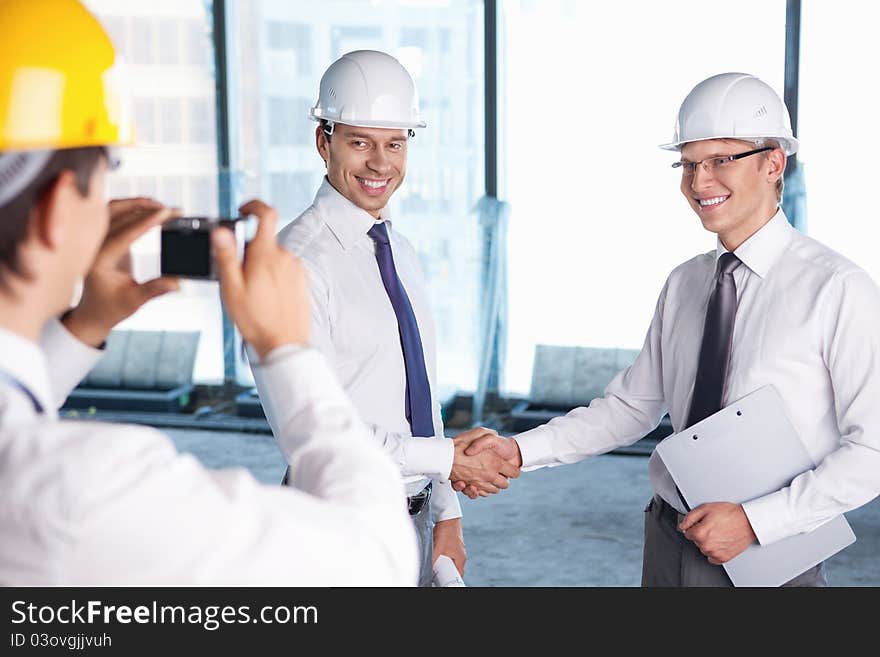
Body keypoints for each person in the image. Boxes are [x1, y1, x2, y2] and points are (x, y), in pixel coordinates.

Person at [0, 0, 417, 586]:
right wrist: (286, 353)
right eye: (106, 173)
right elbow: (374, 560)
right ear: (56, 210)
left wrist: (81, 327)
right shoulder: (82, 491)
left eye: (395, 142)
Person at [456, 72, 880, 586]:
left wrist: (754, 522)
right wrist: (520, 451)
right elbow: (630, 408)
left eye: (721, 160)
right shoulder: (686, 283)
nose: (699, 182)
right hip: (669, 534)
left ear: (774, 163)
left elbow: (872, 451)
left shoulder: (838, 289)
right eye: (689, 163)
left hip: (772, 556)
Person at [249, 50, 519, 586]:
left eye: (394, 143)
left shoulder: (399, 249)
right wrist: (447, 461)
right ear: (323, 141)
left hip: (414, 521)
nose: (380, 163)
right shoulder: (294, 263)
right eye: (360, 142)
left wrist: (447, 515)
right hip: (337, 524)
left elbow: (420, 395)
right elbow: (314, 433)